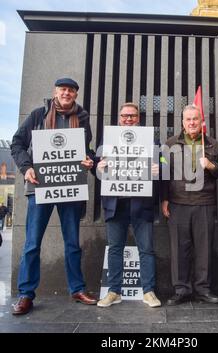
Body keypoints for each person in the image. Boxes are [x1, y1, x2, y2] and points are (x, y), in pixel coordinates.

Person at [10, 78, 97, 315]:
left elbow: (85, 148)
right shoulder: (38, 115)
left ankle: (77, 289)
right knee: (32, 244)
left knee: (72, 242)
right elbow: (16, 144)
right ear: (56, 92)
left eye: (71, 90)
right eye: (63, 89)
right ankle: (26, 294)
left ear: (76, 94)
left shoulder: (82, 118)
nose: (66, 93)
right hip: (40, 186)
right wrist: (26, 167)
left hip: (70, 187)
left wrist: (88, 159)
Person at [96, 102, 161, 308]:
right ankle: (114, 291)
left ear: (138, 118)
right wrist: (98, 167)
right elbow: (96, 171)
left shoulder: (151, 140)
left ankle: (148, 291)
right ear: (119, 118)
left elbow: (165, 166)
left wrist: (158, 169)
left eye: (132, 116)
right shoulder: (106, 140)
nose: (129, 119)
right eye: (125, 116)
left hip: (142, 204)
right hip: (115, 204)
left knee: (147, 249)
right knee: (115, 248)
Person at [161, 104, 218, 306]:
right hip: (178, 203)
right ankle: (181, 290)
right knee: (179, 249)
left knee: (204, 250)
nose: (192, 123)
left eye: (195, 119)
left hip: (205, 203)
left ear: (201, 122)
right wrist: (164, 199)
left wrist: (211, 165)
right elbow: (164, 174)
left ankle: (203, 290)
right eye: (188, 119)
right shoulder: (170, 144)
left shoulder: (213, 145)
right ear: (182, 123)